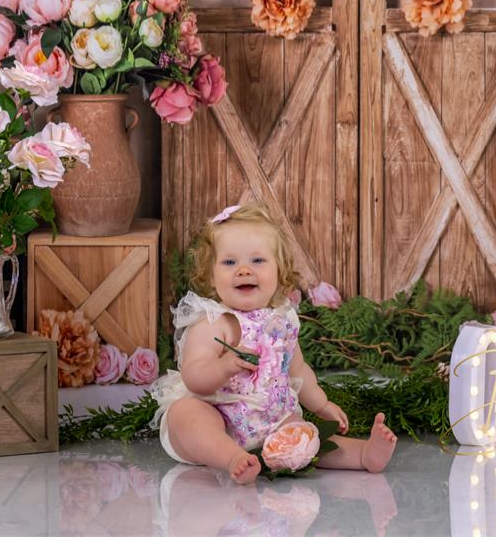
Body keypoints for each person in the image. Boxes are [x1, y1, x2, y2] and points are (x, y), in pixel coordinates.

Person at [151, 204, 397, 484]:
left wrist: (321, 405)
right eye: (229, 263)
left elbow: (299, 371)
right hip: (218, 414)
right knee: (186, 415)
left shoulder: (283, 321)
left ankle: (363, 454)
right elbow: (193, 376)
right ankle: (232, 457)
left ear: (280, 272)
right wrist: (222, 367)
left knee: (304, 437)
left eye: (257, 261)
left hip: (272, 420)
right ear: (210, 275)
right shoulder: (212, 321)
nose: (243, 271)